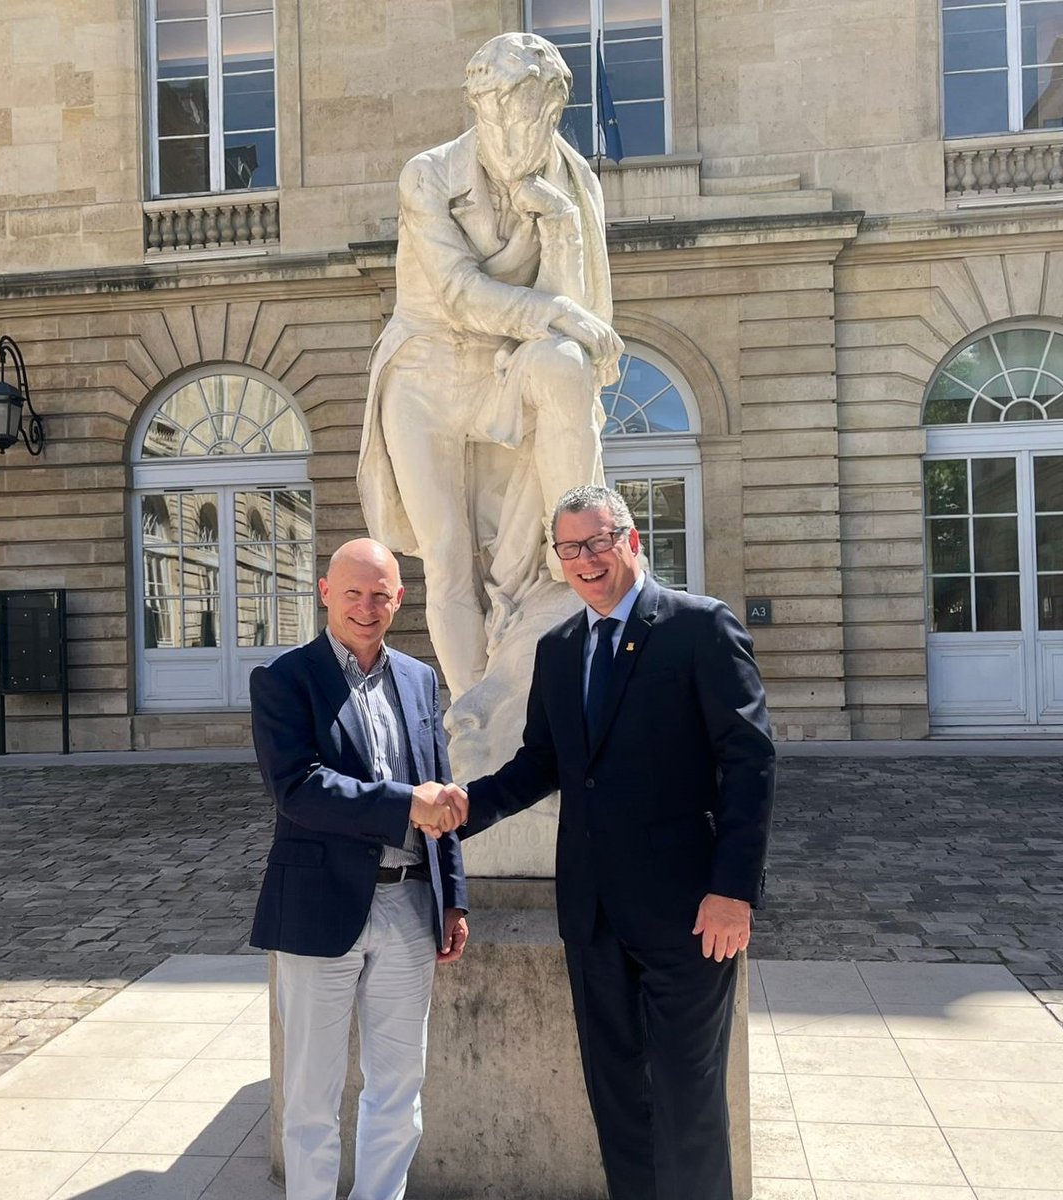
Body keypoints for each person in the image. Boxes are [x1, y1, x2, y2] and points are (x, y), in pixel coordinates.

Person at [457, 484, 776, 1200]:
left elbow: (749, 760)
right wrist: (462, 808)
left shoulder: (700, 627)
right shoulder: (560, 648)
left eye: (597, 542)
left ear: (631, 540)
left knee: (688, 1098)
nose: (585, 560)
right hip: (593, 914)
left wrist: (733, 890)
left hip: (689, 914)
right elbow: (542, 762)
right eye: (569, 549)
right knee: (617, 1095)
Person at [358, 32, 624, 698]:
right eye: (501, 108)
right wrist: (556, 313)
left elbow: (577, 305)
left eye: (533, 111)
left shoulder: (573, 181)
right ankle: (475, 709)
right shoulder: (428, 173)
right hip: (424, 372)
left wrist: (559, 223)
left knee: (564, 367)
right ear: (478, 104)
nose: (516, 126)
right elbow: (457, 293)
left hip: (502, 367)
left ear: (555, 109)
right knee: (448, 563)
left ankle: (574, 553)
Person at [249, 538, 468, 1200]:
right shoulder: (284, 679)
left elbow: (442, 786)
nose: (367, 608)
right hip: (318, 908)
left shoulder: (420, 678)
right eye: (353, 593)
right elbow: (299, 789)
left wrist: (452, 895)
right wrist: (407, 804)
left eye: (381, 595)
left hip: (408, 907)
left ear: (399, 600)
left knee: (398, 1087)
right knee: (311, 1097)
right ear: (324, 593)